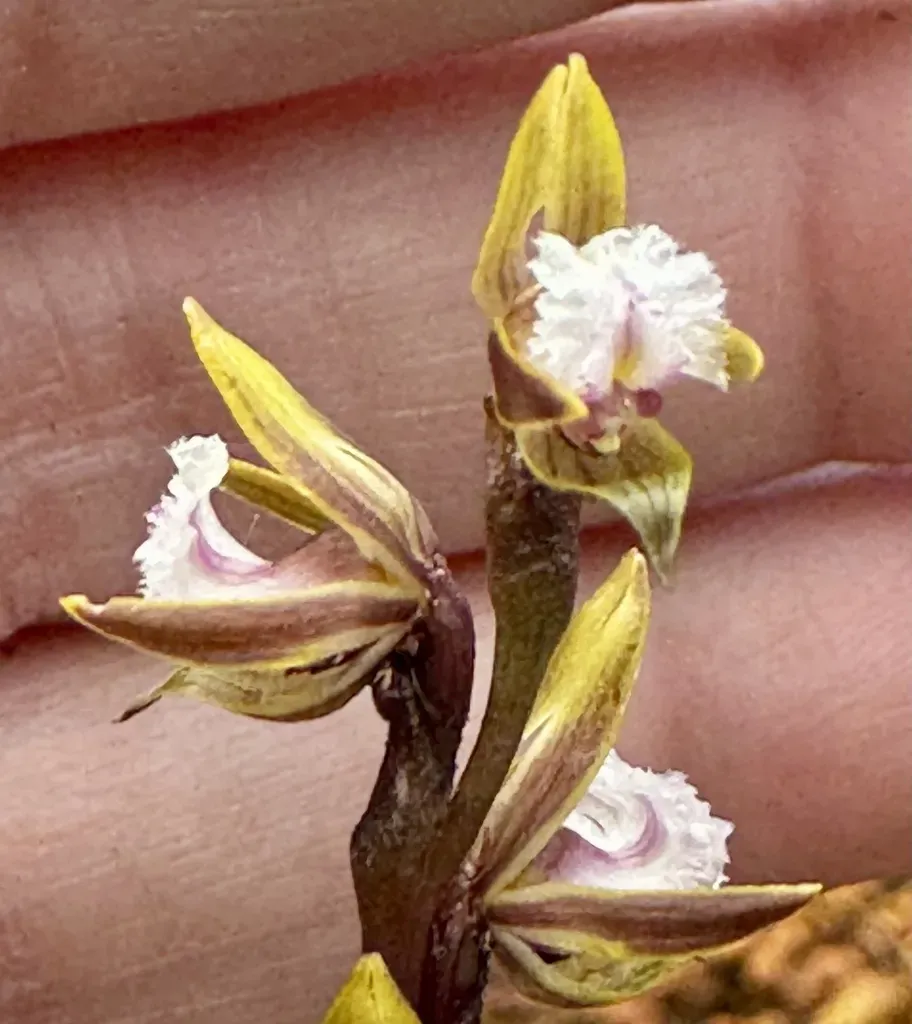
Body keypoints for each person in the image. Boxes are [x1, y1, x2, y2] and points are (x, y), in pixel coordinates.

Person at [0, 0, 908, 1019]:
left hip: (487, 868)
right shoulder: (424, 589)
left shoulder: (557, 491)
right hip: (468, 831)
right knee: (442, 652)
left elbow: (694, 371)